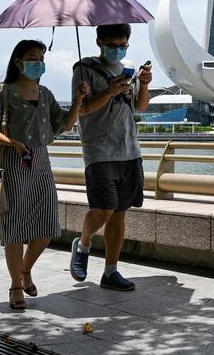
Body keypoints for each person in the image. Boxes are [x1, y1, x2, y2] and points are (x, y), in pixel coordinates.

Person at [0, 39, 89, 310]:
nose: (39, 63)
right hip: (12, 161)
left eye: (41, 58)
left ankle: (25, 270)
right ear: (18, 62)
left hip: (40, 162)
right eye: (33, 58)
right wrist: (11, 142)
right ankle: (16, 285)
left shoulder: (46, 94)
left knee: (48, 226)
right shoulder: (2, 92)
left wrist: (78, 101)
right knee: (13, 229)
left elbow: (64, 125)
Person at [69, 23, 151, 291]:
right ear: (99, 42)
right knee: (103, 208)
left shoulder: (129, 70)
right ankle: (83, 242)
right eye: (112, 45)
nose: (117, 50)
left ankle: (110, 271)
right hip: (99, 149)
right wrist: (109, 91)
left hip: (129, 149)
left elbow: (140, 106)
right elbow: (82, 110)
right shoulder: (84, 70)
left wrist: (145, 84)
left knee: (119, 212)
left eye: (122, 45)